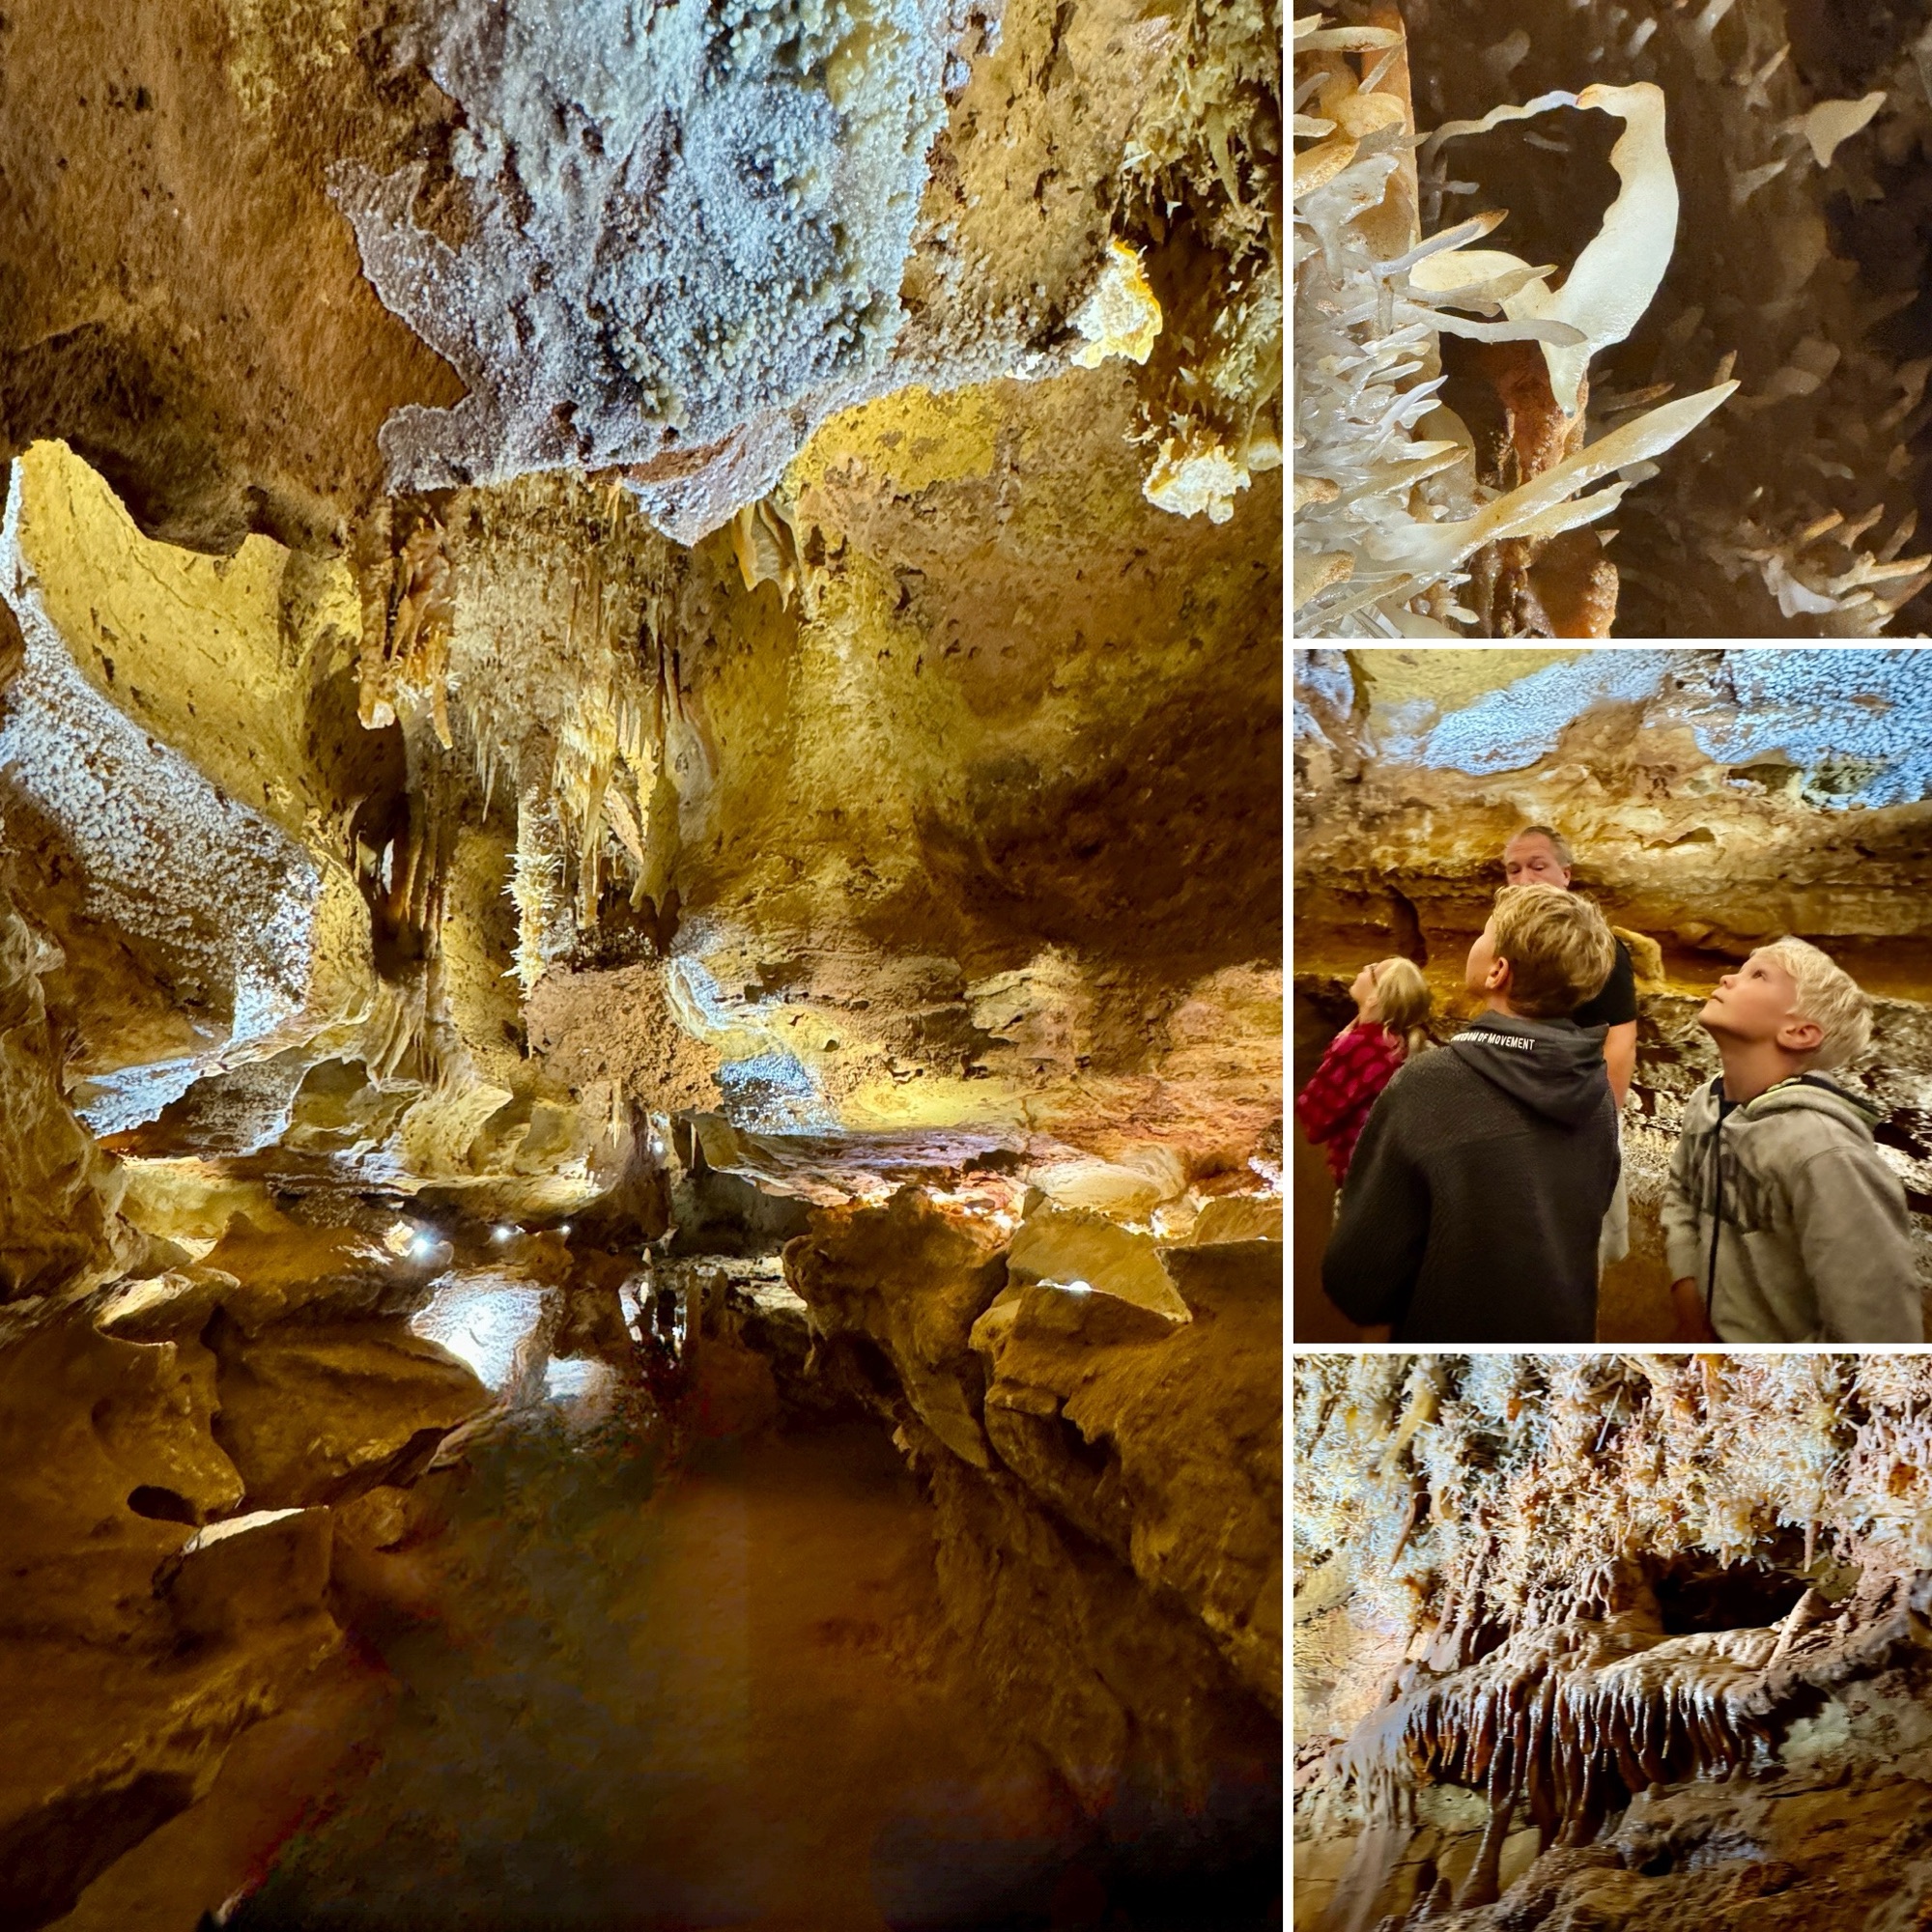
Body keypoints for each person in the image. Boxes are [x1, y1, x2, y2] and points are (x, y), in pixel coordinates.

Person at [1322, 883, 1621, 1342]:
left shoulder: (1429, 1084)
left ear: (1498, 971)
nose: (1474, 943)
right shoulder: (1597, 1094)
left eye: (1485, 933)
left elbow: (1359, 1286)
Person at [1662, 937, 1920, 1344]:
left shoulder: (1824, 1153)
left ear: (1800, 1032)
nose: (1727, 977)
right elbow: (1682, 1195)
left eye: (1758, 975)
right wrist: (1688, 1297)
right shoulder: (1706, 1103)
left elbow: (1878, 1330)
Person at [1295, 956, 1433, 1187]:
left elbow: (1313, 1115)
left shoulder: (1362, 1047)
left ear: (1374, 997)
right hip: (1391, 1179)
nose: (1363, 967)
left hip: (1365, 1184)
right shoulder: (1394, 1043)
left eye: (1372, 970)